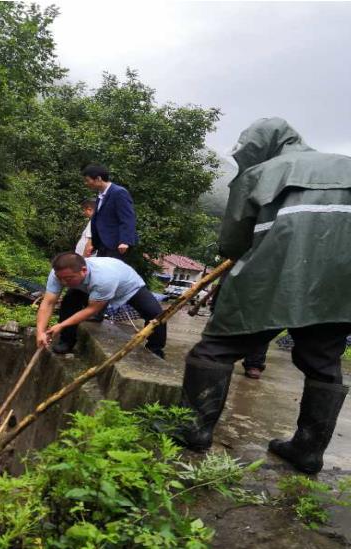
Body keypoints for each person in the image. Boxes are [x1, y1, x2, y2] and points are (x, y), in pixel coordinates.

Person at [175, 117, 350, 474]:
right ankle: (307, 450)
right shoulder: (346, 166)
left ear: (262, 147)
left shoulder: (261, 173)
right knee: (323, 360)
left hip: (273, 276)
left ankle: (194, 430)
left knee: (215, 350)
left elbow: (233, 243)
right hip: (339, 283)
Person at [36, 252, 166, 358]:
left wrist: (61, 325)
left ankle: (154, 350)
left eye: (68, 279)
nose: (64, 282)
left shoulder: (103, 278)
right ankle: (66, 341)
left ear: (83, 270)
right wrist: (40, 332)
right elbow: (48, 303)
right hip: (88, 287)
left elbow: (92, 309)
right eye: (60, 279)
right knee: (69, 301)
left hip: (128, 286)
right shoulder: (59, 274)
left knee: (156, 314)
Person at [82, 164, 138, 260]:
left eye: (88, 180)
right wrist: (94, 244)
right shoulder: (100, 195)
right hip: (102, 245)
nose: (86, 183)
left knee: (112, 269)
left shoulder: (119, 192)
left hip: (116, 245)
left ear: (98, 178)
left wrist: (124, 241)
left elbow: (128, 218)